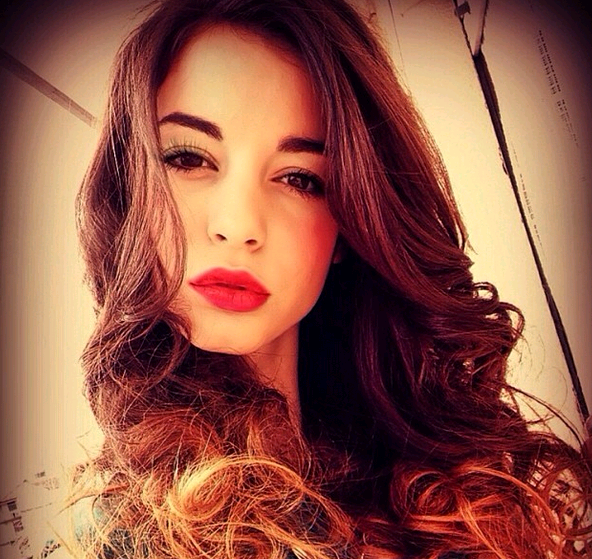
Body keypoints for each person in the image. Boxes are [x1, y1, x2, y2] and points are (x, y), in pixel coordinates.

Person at [70, 0, 592, 557]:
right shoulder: (131, 531)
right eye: (189, 158)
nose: (238, 226)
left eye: (299, 178)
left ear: (349, 223)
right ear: (129, 188)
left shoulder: (438, 465)